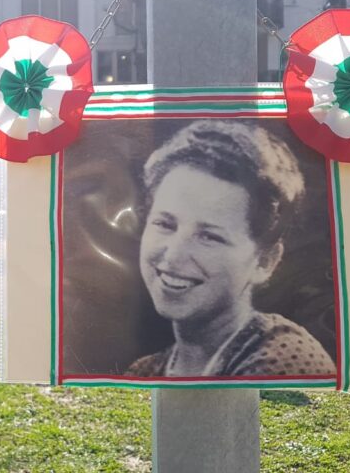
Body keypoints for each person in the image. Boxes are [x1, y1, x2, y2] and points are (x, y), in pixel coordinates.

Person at [126, 120, 335, 378]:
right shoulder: (146, 369)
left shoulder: (284, 357)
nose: (174, 255)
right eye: (165, 224)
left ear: (265, 262)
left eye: (209, 236)